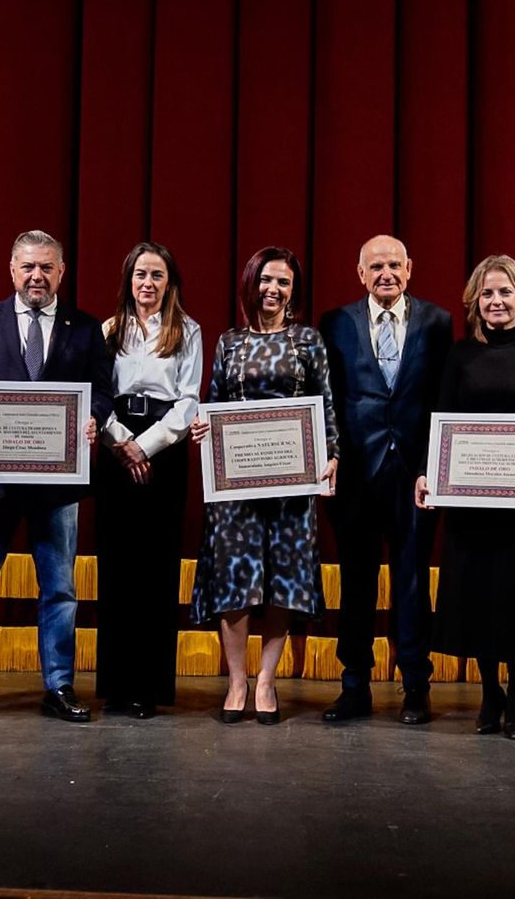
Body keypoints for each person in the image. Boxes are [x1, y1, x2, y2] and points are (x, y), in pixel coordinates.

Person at [0, 230, 114, 726]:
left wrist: (93, 416)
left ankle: (59, 685)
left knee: (59, 591)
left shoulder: (86, 328)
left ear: (61, 272)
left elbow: (101, 391)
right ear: (12, 270)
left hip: (58, 486)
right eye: (28, 267)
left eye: (47, 267)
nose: (37, 276)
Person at [189, 247, 339, 724]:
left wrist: (332, 455)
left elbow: (326, 404)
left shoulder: (307, 341)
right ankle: (236, 681)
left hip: (292, 484)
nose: (273, 290)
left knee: (282, 581)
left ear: (293, 291)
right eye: (267, 280)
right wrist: (201, 427)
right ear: (251, 283)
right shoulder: (229, 342)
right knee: (235, 582)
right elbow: (212, 401)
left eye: (284, 283)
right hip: (236, 485)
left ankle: (267, 682)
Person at [415, 256, 515, 738]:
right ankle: (488, 692)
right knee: (475, 596)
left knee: (514, 599)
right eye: (487, 294)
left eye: (505, 293)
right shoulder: (459, 355)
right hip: (469, 503)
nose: (496, 302)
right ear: (475, 303)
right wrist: (426, 473)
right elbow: (441, 418)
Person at [319, 235, 452, 724]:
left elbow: (442, 399)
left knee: (413, 584)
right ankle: (354, 687)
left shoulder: (438, 322)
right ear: (360, 273)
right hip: (355, 475)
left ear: (410, 268)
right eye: (376, 267)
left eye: (394, 265)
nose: (386, 274)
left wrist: (432, 468)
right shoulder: (335, 323)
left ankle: (416, 685)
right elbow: (325, 398)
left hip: (415, 476)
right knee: (356, 583)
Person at [95, 243, 203, 719]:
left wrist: (148, 445)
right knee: (117, 569)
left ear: (169, 282)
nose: (148, 283)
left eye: (157, 275)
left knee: (156, 571)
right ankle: (115, 686)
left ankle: (148, 687)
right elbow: (98, 397)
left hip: (163, 455)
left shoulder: (188, 331)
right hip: (115, 453)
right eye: (141, 274)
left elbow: (189, 401)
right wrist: (121, 443)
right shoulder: (108, 331)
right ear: (129, 280)